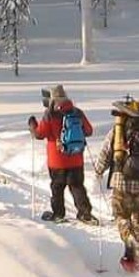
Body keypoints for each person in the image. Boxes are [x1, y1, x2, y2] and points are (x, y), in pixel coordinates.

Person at [93, 98, 139, 271]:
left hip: (121, 180)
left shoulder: (119, 129)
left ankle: (129, 240)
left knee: (121, 215)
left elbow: (106, 152)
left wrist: (98, 171)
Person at [27, 85, 96, 224]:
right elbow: (88, 131)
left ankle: (58, 214)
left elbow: (40, 134)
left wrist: (32, 126)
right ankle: (85, 213)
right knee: (77, 186)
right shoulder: (77, 112)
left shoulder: (50, 114)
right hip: (76, 157)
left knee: (57, 187)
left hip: (57, 160)